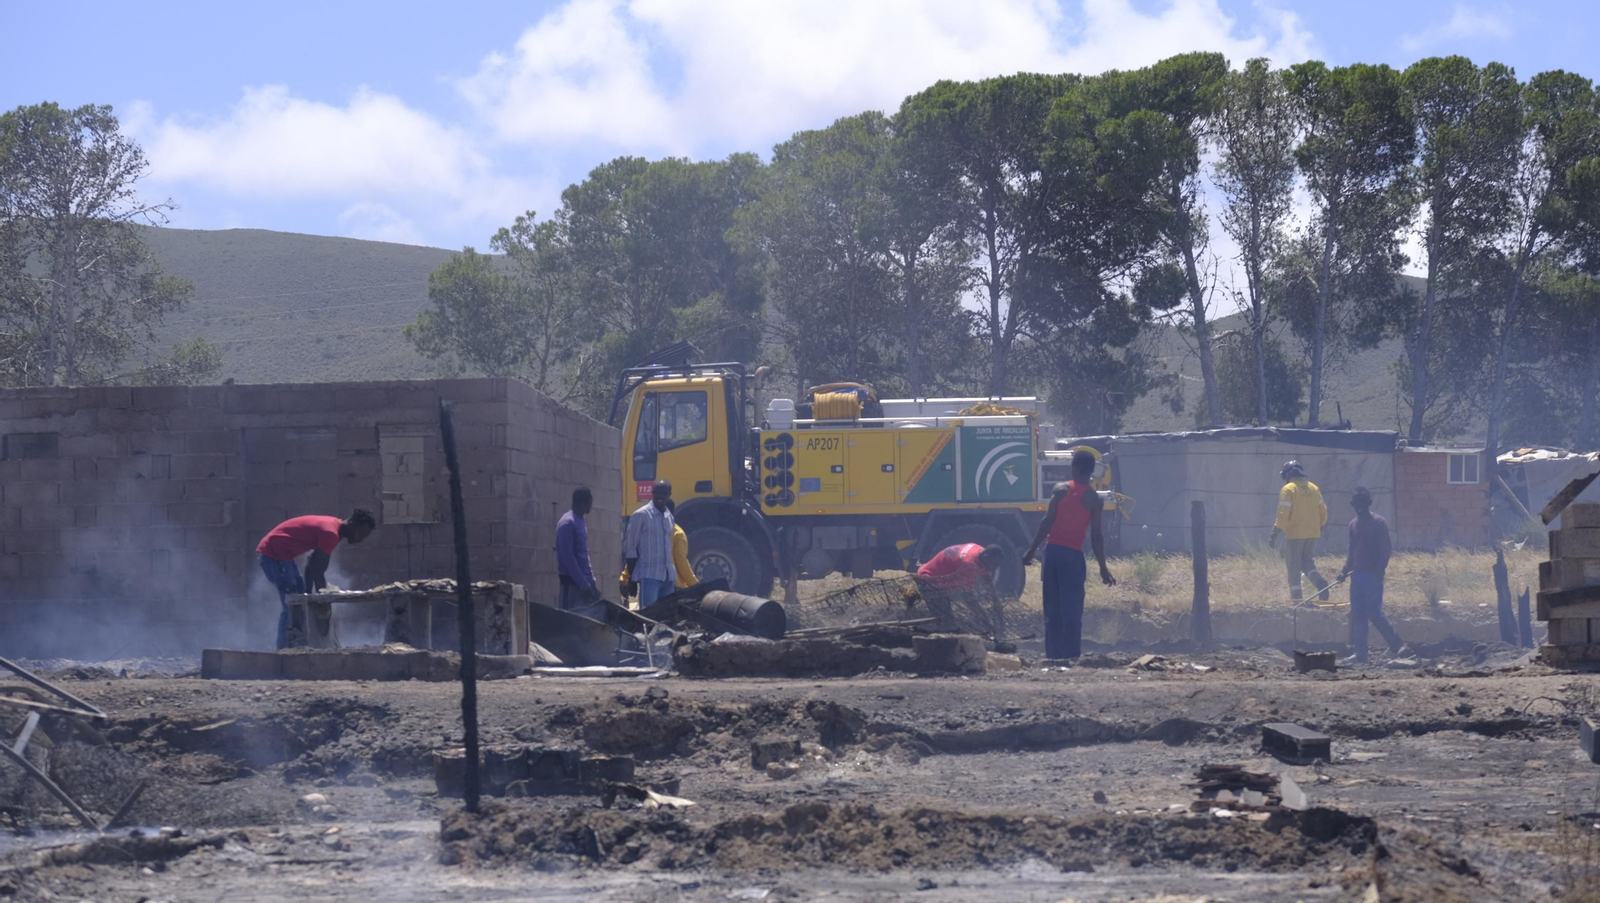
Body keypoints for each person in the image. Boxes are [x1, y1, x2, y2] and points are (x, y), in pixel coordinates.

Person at [1022, 450, 1117, 660]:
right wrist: (1103, 568)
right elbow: (1096, 536)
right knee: (1072, 608)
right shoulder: (1093, 499)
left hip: (1052, 554)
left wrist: (1031, 550)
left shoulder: (1060, 490)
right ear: (1092, 471)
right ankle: (1071, 655)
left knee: (1052, 609)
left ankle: (1053, 656)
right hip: (1072, 557)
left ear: (1073, 468)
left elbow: (1046, 523)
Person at [256, 509, 376, 649]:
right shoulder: (330, 533)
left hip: (280, 555)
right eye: (360, 533)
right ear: (352, 523)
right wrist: (322, 600)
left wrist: (308, 593)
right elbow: (317, 571)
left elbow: (311, 564)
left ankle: (297, 646)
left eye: (364, 537)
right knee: (292, 604)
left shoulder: (334, 530)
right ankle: (283, 651)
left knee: (299, 599)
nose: (360, 539)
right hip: (273, 554)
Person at [1337, 487, 1409, 664]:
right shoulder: (1353, 525)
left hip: (1372, 576)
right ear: (1353, 505)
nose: (1360, 507)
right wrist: (1344, 571)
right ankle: (1360, 654)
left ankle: (1398, 645)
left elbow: (1385, 549)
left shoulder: (1379, 523)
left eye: (1363, 503)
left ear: (1369, 503)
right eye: (1357, 504)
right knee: (1358, 614)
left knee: (1374, 613)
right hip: (1357, 576)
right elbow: (1352, 552)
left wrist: (1380, 569)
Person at [1268, 460, 1329, 603]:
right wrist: (1320, 525)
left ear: (1287, 475)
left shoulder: (1288, 489)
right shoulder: (1314, 488)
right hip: (1313, 533)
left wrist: (1274, 533)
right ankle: (1319, 582)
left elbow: (1283, 513)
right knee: (1307, 561)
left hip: (1295, 534)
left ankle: (1296, 598)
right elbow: (1323, 510)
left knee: (1293, 564)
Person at [621, 498, 696, 598]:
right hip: (673, 585)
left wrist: (625, 578)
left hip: (651, 580)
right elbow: (681, 560)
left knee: (649, 611)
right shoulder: (678, 533)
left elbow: (637, 555)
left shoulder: (650, 531)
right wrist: (694, 584)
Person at [623, 480, 677, 607]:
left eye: (664, 493)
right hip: (649, 577)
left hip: (668, 577)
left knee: (667, 619)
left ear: (669, 494)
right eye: (657, 492)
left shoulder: (669, 516)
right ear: (652, 492)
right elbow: (631, 549)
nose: (660, 496)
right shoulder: (640, 515)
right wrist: (631, 579)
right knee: (649, 618)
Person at [555, 487, 600, 613]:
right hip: (571, 584)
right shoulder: (567, 523)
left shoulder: (580, 520)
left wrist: (591, 583)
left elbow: (583, 555)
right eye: (590, 502)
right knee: (568, 622)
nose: (591, 506)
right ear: (583, 503)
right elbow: (568, 557)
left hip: (584, 585)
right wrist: (583, 584)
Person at [916, 544, 1004, 590]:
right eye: (992, 564)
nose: (992, 569)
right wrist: (984, 619)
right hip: (928, 579)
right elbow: (967, 596)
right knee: (946, 619)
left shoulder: (978, 549)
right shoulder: (969, 566)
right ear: (986, 556)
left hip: (929, 572)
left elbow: (985, 576)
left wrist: (994, 596)